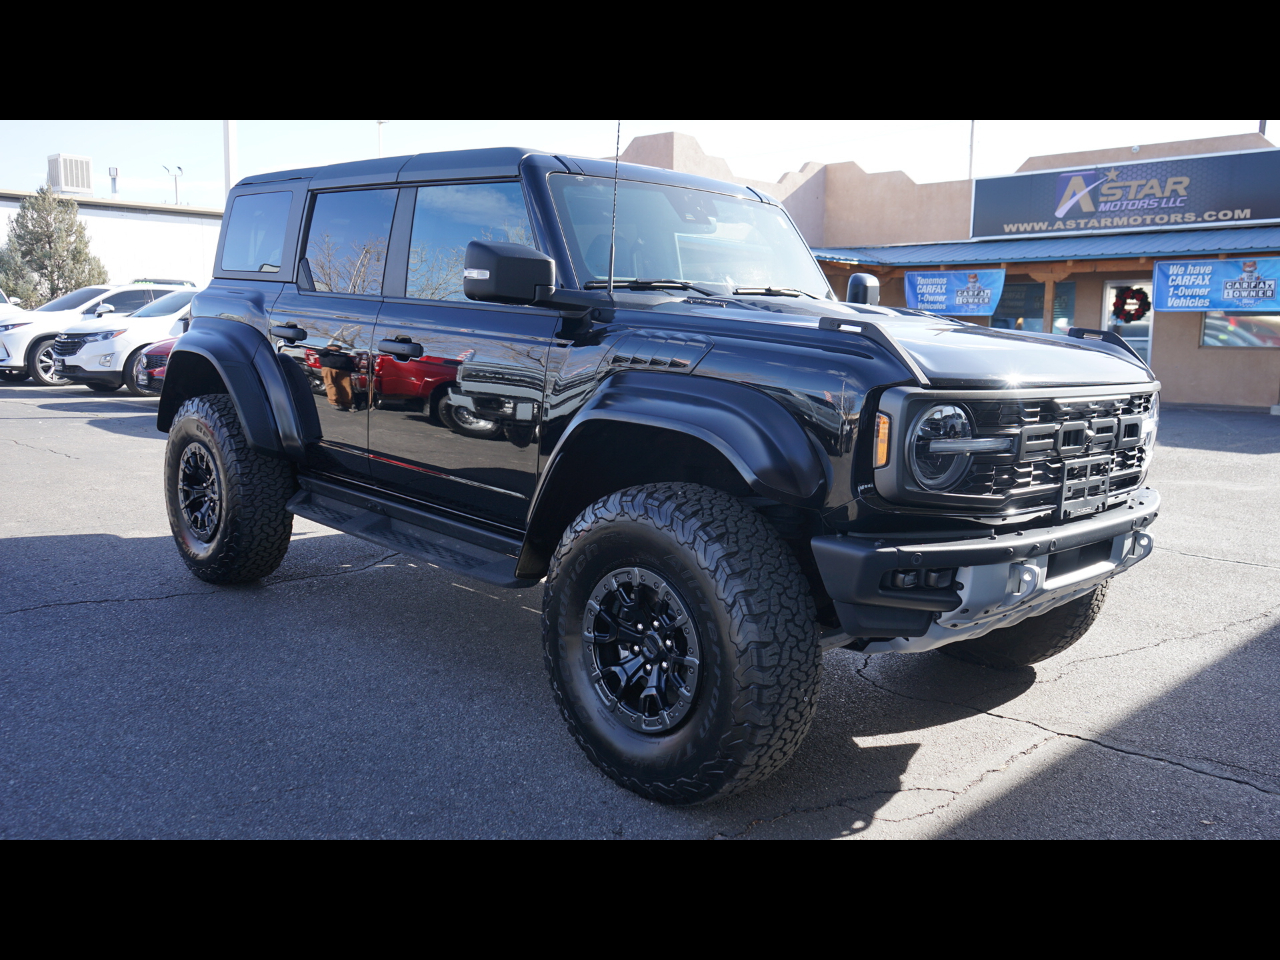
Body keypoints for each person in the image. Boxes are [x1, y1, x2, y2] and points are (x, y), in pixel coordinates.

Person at [317, 342, 355, 411]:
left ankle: (346, 403)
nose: (337, 348)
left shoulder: (343, 354)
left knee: (345, 386)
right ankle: (334, 402)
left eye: (339, 348)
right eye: (336, 347)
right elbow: (320, 352)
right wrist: (329, 349)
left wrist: (350, 369)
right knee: (330, 384)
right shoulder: (325, 351)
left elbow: (350, 361)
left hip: (344, 370)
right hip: (329, 368)